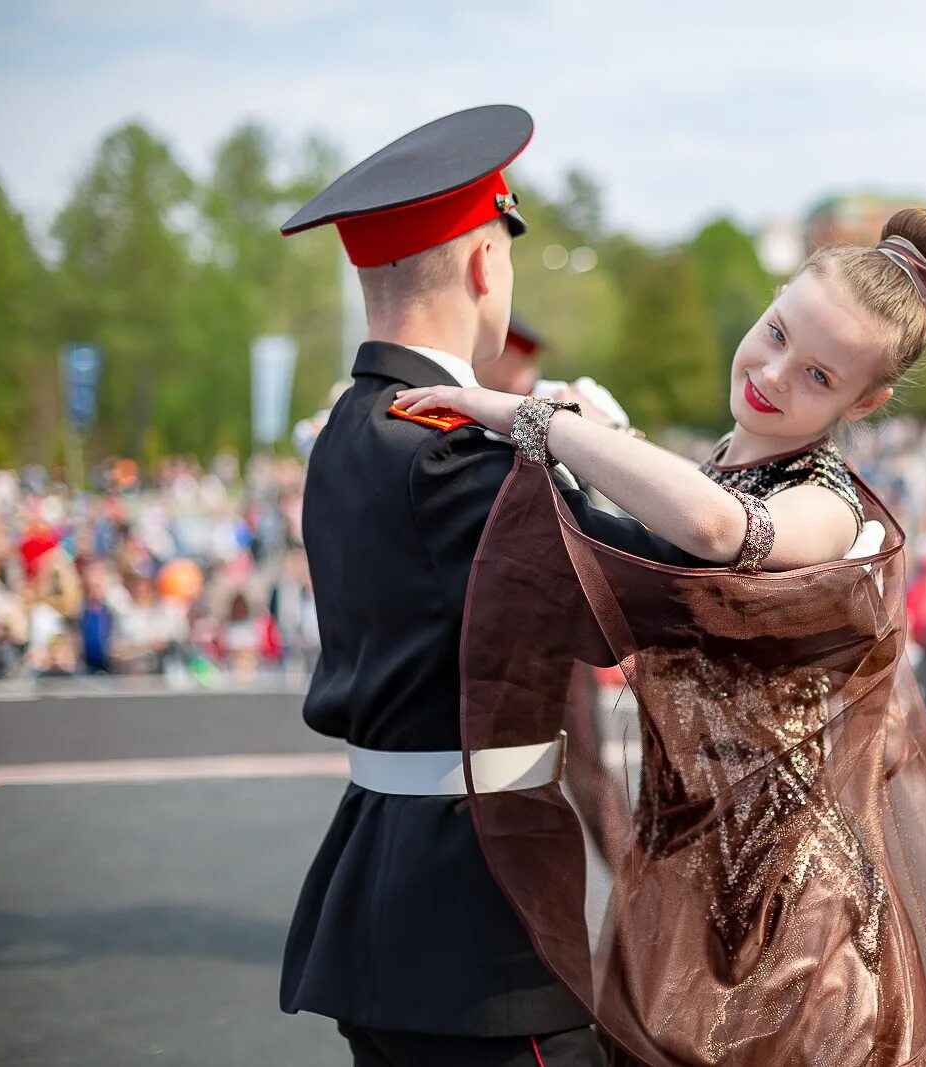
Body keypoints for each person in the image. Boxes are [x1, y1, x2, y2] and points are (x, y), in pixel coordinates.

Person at [393, 208, 926, 1064]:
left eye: (819, 374)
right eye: (776, 332)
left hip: (794, 928)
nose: (773, 372)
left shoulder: (828, 507)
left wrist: (531, 417)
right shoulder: (724, 463)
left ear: (862, 403)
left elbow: (721, 532)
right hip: (686, 888)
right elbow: (686, 503)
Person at [275, 105, 708, 1067]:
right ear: (484, 266)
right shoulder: (456, 454)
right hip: (476, 914)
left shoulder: (349, 429)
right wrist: (599, 451)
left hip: (387, 873)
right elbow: (640, 603)